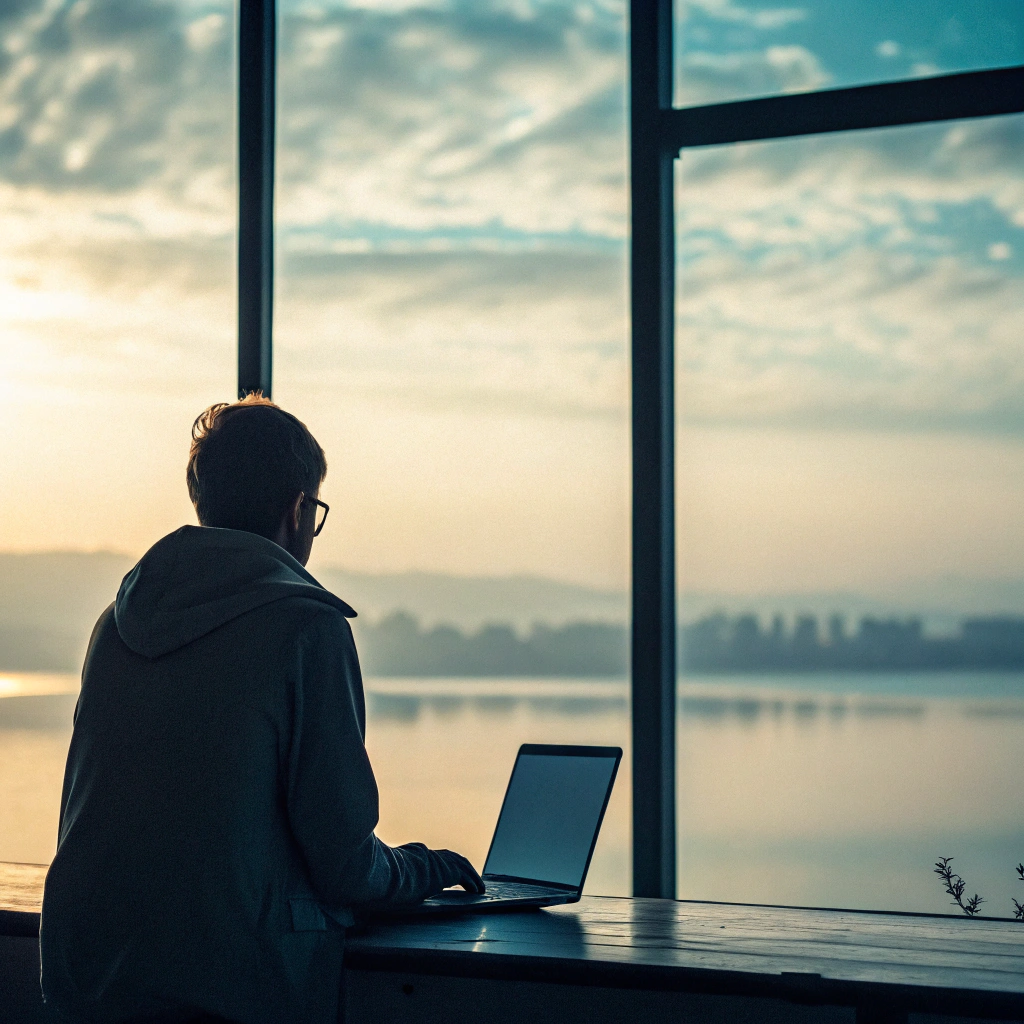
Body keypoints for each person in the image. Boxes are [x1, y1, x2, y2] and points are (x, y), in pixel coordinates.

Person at [39, 394, 484, 1024]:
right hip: (230, 986)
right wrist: (423, 870)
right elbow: (345, 865)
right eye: (315, 511)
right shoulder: (305, 629)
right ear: (297, 509)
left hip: (87, 977)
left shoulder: (115, 625)